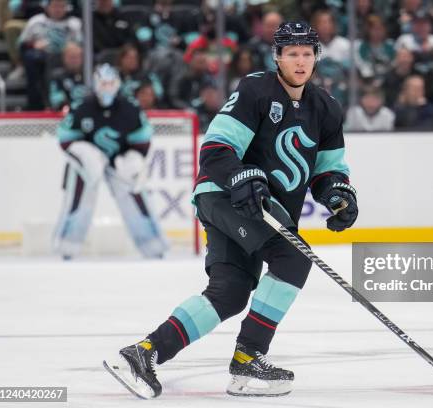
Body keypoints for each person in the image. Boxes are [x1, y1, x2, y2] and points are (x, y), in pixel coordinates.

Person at [103, 21, 358, 399]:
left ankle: (145, 353)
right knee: (293, 258)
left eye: (307, 54)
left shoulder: (327, 108)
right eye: (292, 54)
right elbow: (216, 148)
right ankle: (248, 358)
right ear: (277, 57)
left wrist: (338, 195)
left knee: (231, 293)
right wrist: (244, 177)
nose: (300, 62)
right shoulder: (256, 89)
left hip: (258, 209)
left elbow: (328, 170)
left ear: (316, 57)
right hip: (224, 196)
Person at [53, 64, 168, 259]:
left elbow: (142, 138)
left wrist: (135, 157)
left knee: (135, 197)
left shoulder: (130, 108)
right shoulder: (82, 107)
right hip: (88, 163)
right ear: (96, 84)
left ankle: (153, 246)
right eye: (103, 83)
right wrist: (84, 154)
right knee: (79, 200)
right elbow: (65, 138)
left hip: (119, 159)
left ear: (118, 84)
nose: (107, 87)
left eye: (111, 83)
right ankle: (67, 247)